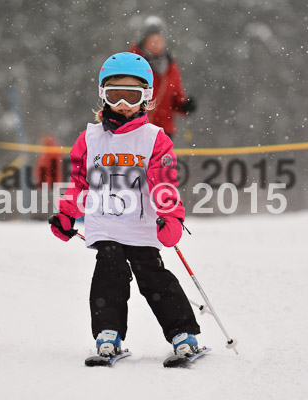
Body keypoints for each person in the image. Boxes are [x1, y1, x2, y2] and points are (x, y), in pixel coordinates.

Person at [49, 52, 201, 359]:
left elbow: (164, 184)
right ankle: (109, 333)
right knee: (108, 270)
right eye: (115, 95)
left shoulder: (154, 139)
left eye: (131, 96)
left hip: (141, 225)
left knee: (152, 275)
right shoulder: (89, 138)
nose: (123, 104)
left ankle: (182, 333)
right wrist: (66, 215)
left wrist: (171, 217)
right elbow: (79, 183)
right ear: (102, 95)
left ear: (145, 97)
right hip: (104, 223)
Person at [128, 16, 197, 139]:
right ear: (144, 41)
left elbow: (176, 97)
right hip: (135, 129)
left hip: (163, 132)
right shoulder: (132, 61)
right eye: (152, 40)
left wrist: (185, 106)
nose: (156, 44)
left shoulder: (171, 66)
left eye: (159, 40)